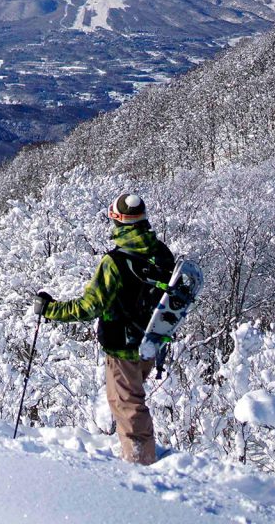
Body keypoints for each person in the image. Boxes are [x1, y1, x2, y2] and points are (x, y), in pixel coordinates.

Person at [33, 193, 175, 465]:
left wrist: (49, 310)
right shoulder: (161, 252)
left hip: (123, 347)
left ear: (118, 221)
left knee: (128, 406)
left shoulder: (116, 263)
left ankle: (141, 464)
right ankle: (136, 453)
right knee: (130, 400)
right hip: (152, 342)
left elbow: (89, 307)